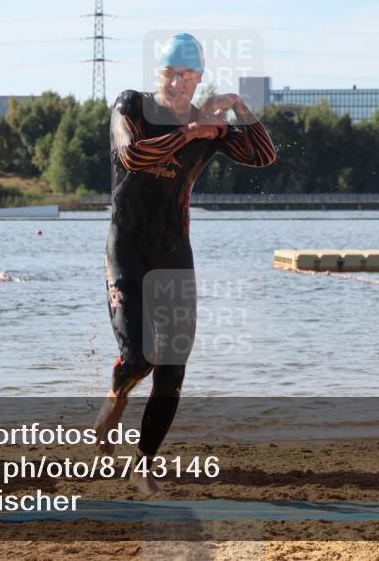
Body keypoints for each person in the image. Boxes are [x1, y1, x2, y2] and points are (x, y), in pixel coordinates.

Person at [94, 32, 277, 495]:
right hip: (128, 251)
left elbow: (264, 154)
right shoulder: (131, 105)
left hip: (174, 255)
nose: (177, 83)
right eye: (169, 74)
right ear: (157, 74)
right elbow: (131, 155)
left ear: (199, 79)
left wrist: (237, 104)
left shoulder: (210, 123)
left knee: (172, 370)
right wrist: (190, 133)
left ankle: (143, 462)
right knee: (140, 358)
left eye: (187, 75)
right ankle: (116, 395)